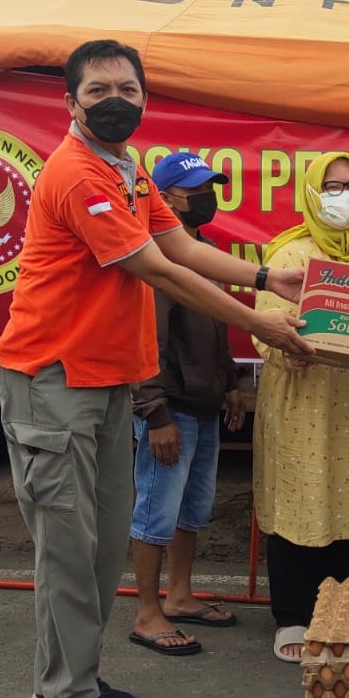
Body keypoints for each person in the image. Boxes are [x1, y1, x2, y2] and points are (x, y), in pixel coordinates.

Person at [0, 40, 311, 698]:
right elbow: (156, 271)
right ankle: (65, 693)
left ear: (144, 96)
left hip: (103, 382)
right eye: (98, 89)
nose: (116, 101)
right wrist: (260, 324)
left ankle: (74, 675)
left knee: (101, 546)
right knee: (69, 550)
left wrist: (266, 278)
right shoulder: (78, 174)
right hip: (51, 382)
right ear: (69, 101)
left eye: (128, 89)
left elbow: (183, 246)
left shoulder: (127, 167)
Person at [254, 152, 349, 663]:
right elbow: (266, 327)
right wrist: (288, 345)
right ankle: (293, 615)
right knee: (298, 501)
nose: (347, 196)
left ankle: (342, 607)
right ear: (312, 195)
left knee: (348, 503)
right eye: (334, 187)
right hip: (302, 404)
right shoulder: (288, 255)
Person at [128, 152, 245, 656]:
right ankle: (147, 612)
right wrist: (155, 413)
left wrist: (232, 383)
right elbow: (141, 340)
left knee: (192, 509)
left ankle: (178, 596)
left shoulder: (203, 251)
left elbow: (216, 328)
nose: (205, 197)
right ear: (165, 197)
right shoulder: (155, 257)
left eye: (209, 187)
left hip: (203, 402)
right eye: (194, 190)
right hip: (169, 406)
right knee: (155, 511)